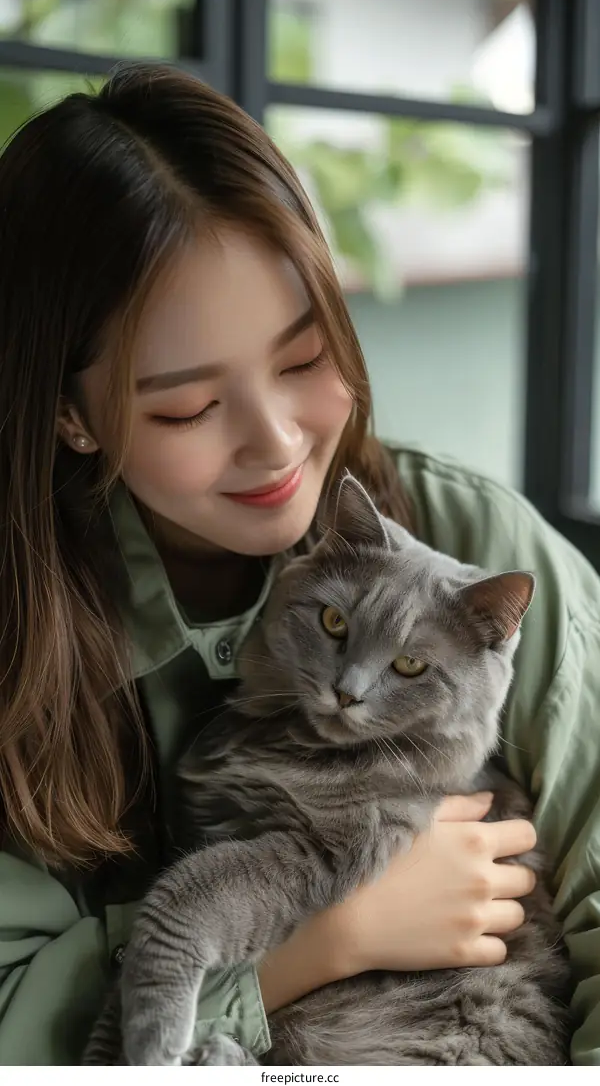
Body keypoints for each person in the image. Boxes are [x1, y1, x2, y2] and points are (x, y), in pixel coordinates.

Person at [0, 63, 598, 1068]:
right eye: (189, 406)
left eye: (305, 357)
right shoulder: (26, 628)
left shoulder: (472, 536)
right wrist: (319, 941)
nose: (277, 444)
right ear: (68, 414)